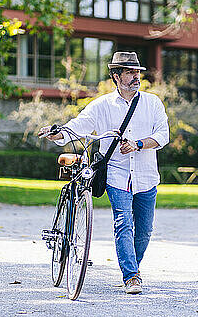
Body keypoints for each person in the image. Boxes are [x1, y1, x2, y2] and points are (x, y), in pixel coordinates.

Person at [40, 51, 169, 295]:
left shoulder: (152, 103)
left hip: (146, 177)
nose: (135, 77)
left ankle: (133, 268)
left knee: (144, 230)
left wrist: (139, 144)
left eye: (137, 72)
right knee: (123, 224)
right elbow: (76, 127)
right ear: (116, 76)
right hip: (117, 175)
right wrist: (56, 133)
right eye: (129, 72)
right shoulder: (102, 106)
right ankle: (131, 276)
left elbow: (163, 135)